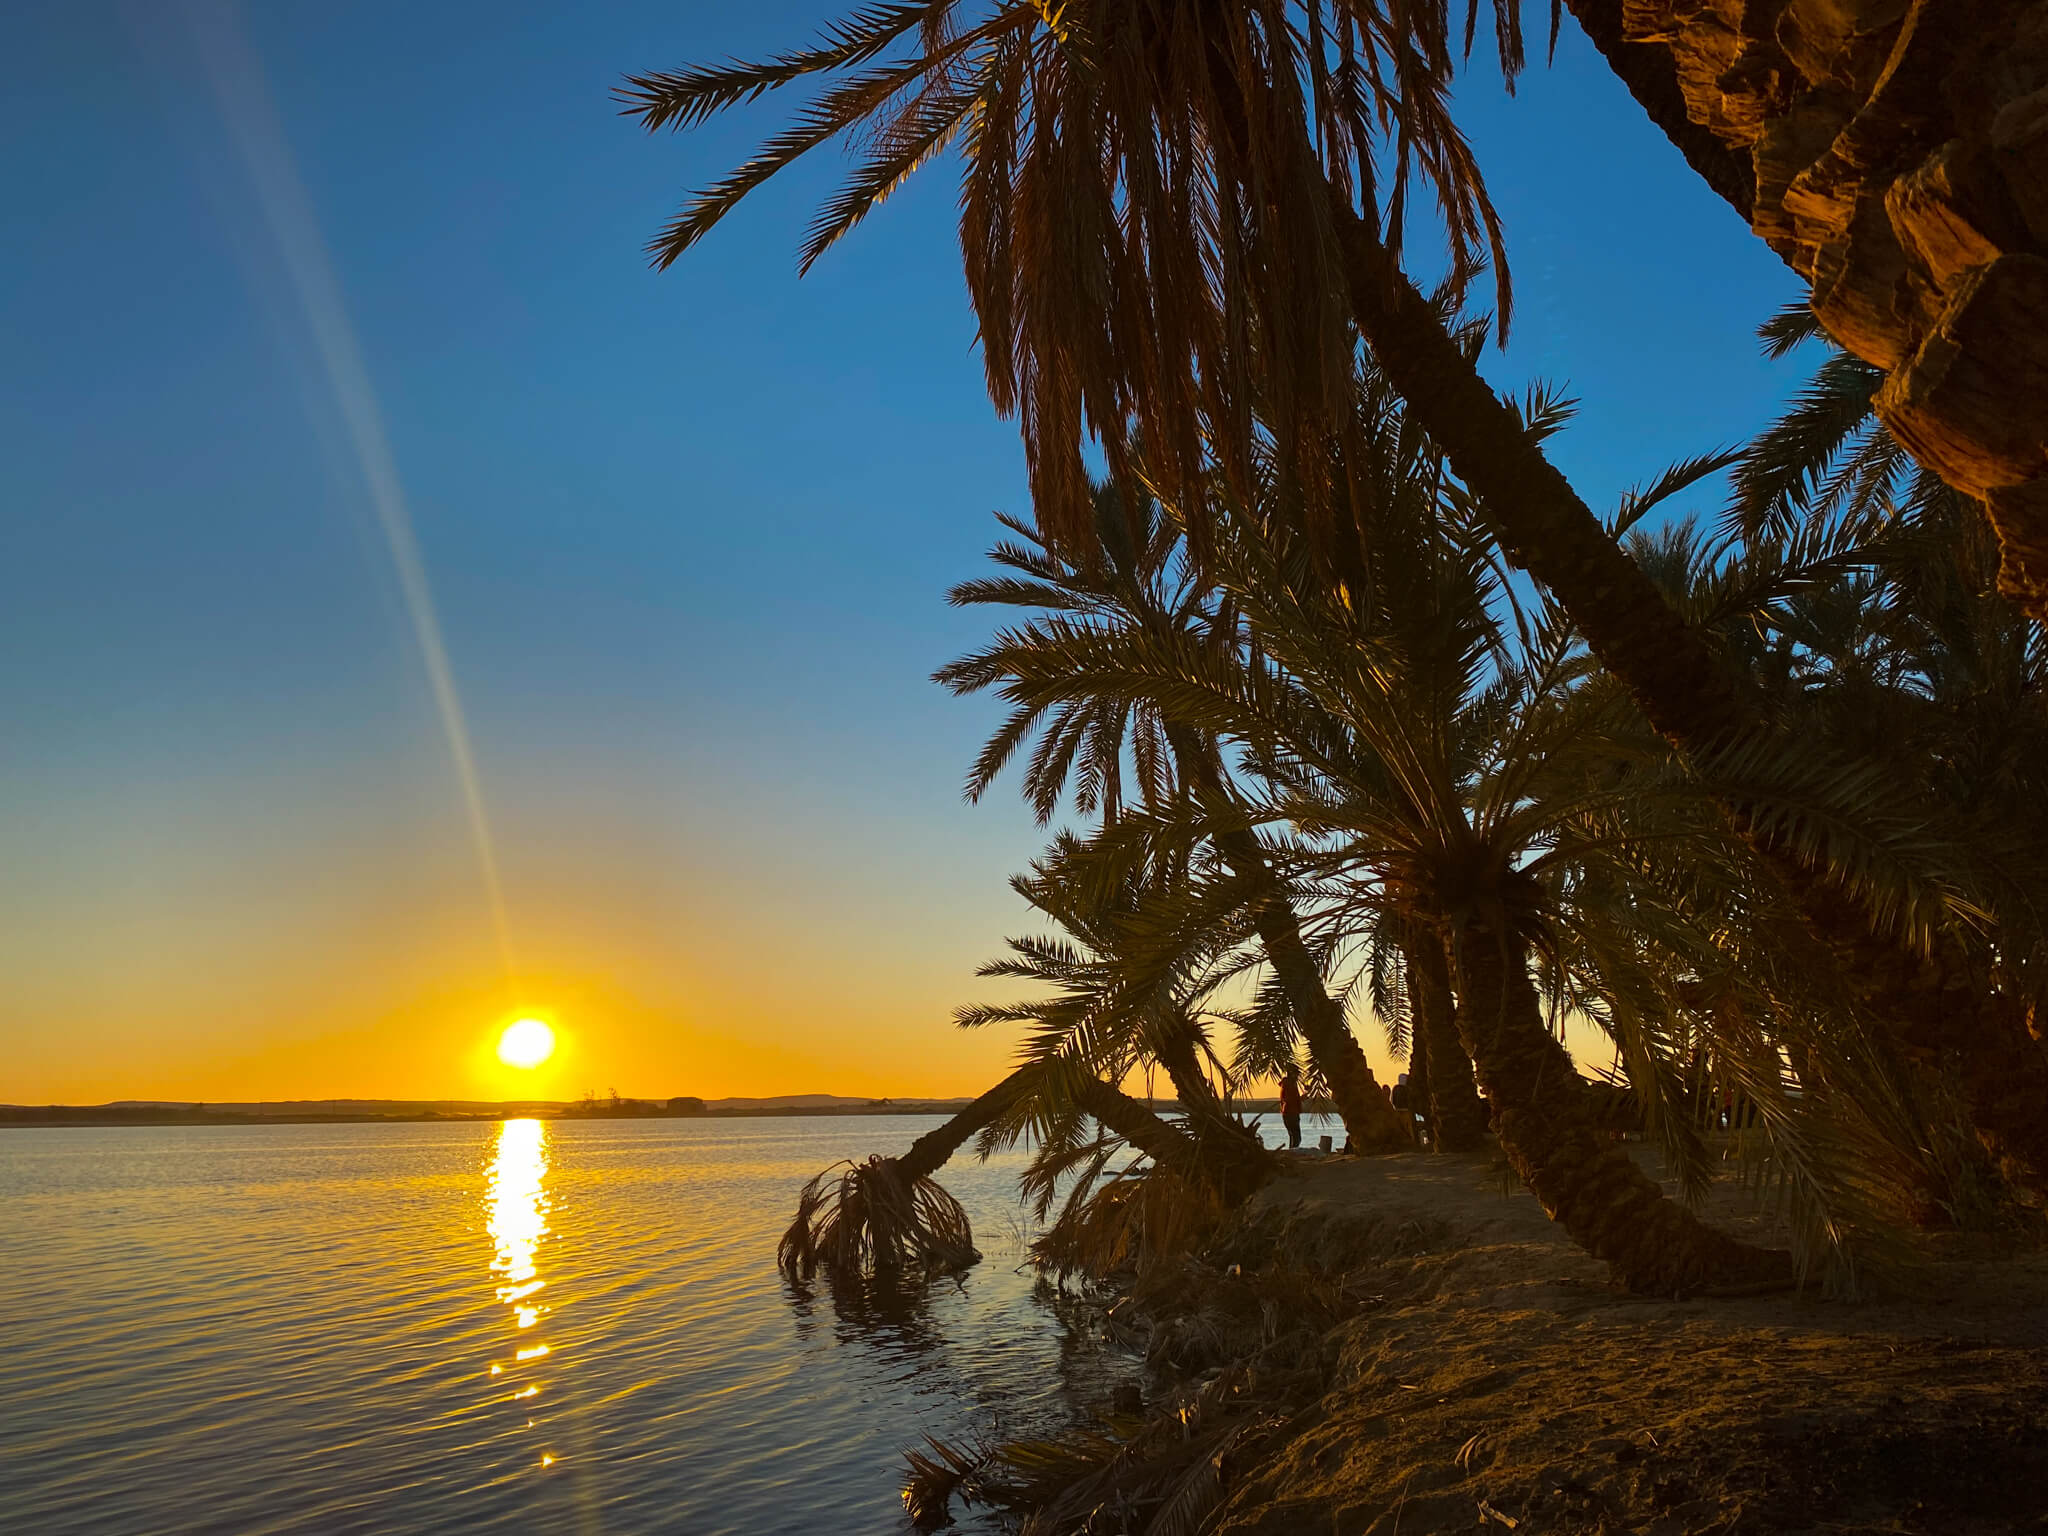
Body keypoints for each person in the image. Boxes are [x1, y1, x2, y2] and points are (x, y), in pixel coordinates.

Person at [1279, 1068, 1303, 1151]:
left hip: (1289, 1113)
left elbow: (1292, 1099)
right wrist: (1301, 1098)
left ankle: (1291, 1151)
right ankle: (1293, 1152)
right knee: (1296, 1137)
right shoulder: (1289, 1084)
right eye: (1296, 1074)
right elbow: (1289, 1099)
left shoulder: (1288, 1084)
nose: (1297, 1076)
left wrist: (1301, 1098)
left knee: (1293, 1136)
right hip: (1291, 1113)